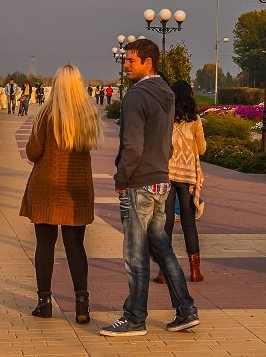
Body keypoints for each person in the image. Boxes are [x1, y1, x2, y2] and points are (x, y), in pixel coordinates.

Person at [100, 38, 199, 337]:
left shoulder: (135, 96)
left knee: (135, 252)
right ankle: (186, 310)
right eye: (125, 60)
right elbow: (165, 140)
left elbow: (133, 145)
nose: (125, 65)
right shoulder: (166, 93)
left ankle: (134, 317)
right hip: (161, 180)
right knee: (161, 246)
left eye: (131, 61)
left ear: (148, 62)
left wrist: (121, 179)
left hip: (140, 182)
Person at [20, 64, 103, 324]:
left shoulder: (46, 115)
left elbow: (33, 152)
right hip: (77, 189)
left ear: (56, 85)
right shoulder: (88, 114)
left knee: (45, 245)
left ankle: (44, 302)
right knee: (75, 246)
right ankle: (81, 304)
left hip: (46, 187)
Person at [153, 80, 207, 284]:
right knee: (189, 225)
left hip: (167, 174)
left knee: (165, 224)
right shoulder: (195, 120)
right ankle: (195, 271)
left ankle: (163, 272)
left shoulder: (166, 117)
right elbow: (202, 149)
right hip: (188, 177)